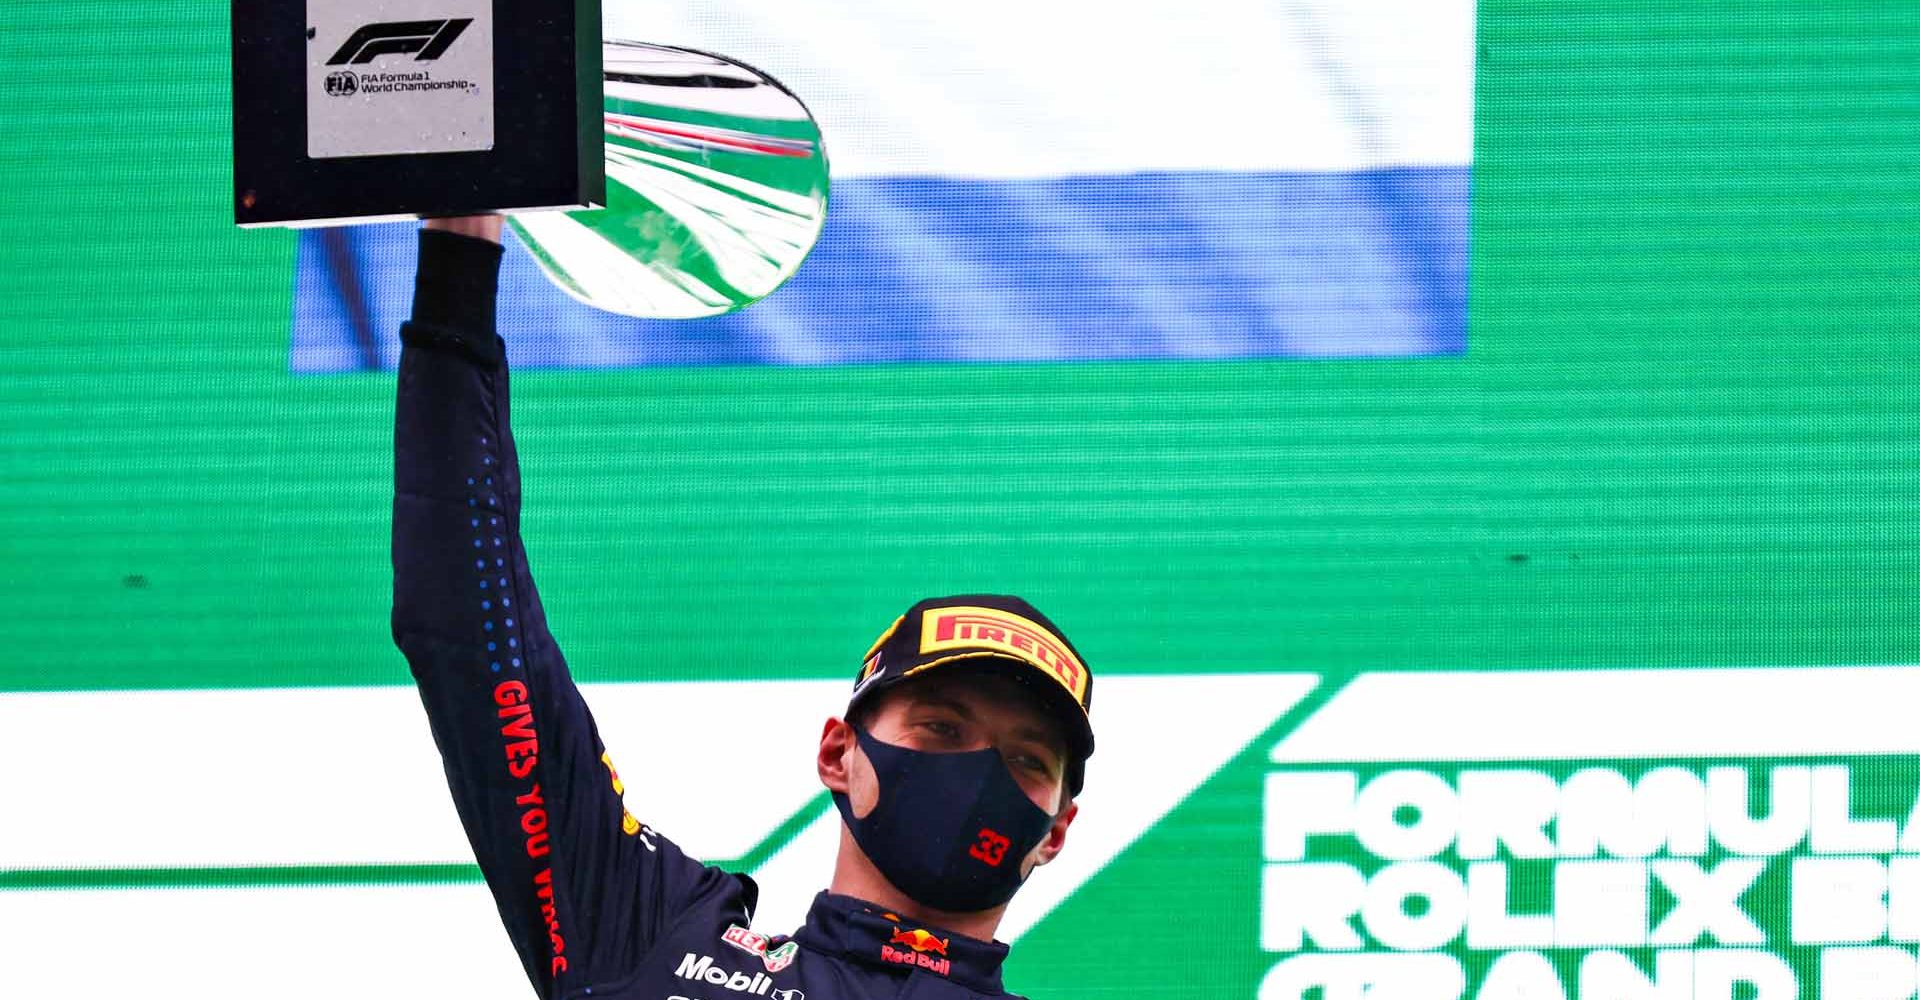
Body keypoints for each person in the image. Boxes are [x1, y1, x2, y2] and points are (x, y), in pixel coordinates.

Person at [392, 215, 1096, 999]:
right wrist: (459, 253)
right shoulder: (648, 933)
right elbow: (468, 628)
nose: (978, 772)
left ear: (1057, 832)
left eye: (1028, 761)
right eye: (941, 727)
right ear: (838, 752)